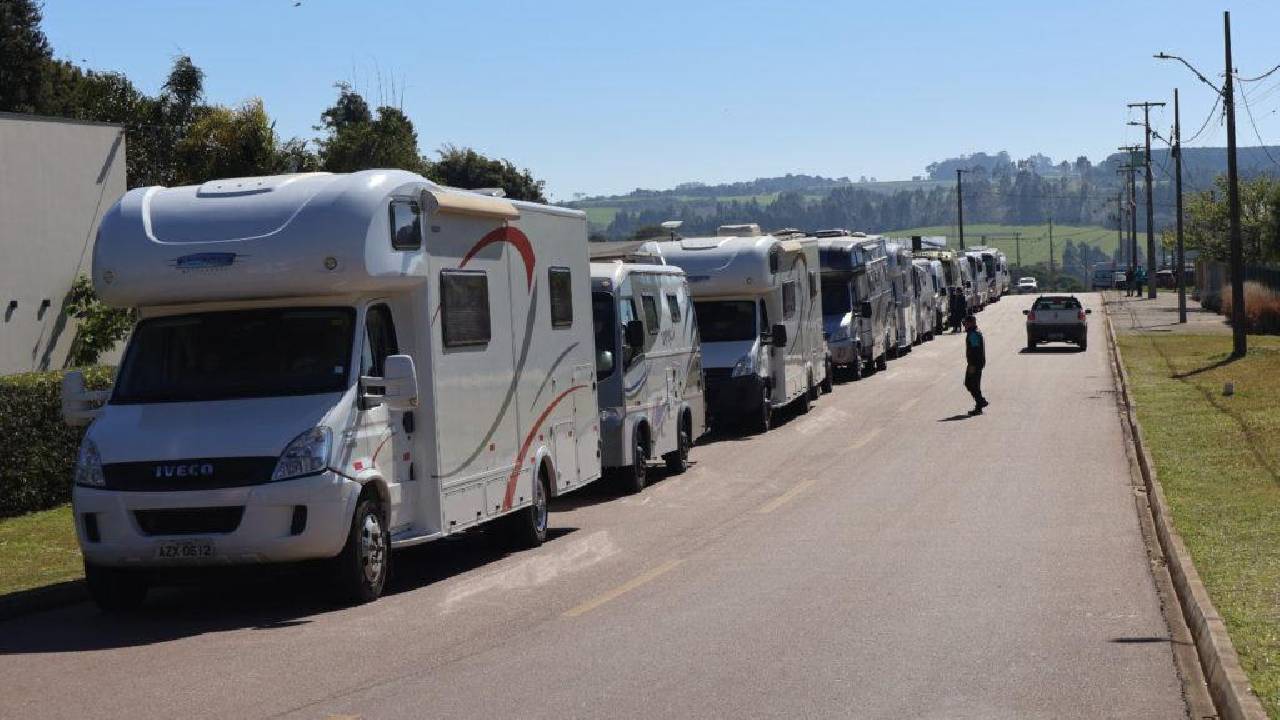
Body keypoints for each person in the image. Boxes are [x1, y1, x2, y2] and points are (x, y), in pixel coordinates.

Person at [963, 314, 988, 414]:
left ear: (971, 323)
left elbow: (975, 350)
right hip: (976, 363)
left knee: (970, 383)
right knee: (973, 384)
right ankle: (979, 406)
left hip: (974, 363)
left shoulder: (973, 334)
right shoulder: (974, 332)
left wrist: (972, 365)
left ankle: (981, 401)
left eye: (966, 324)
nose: (965, 326)